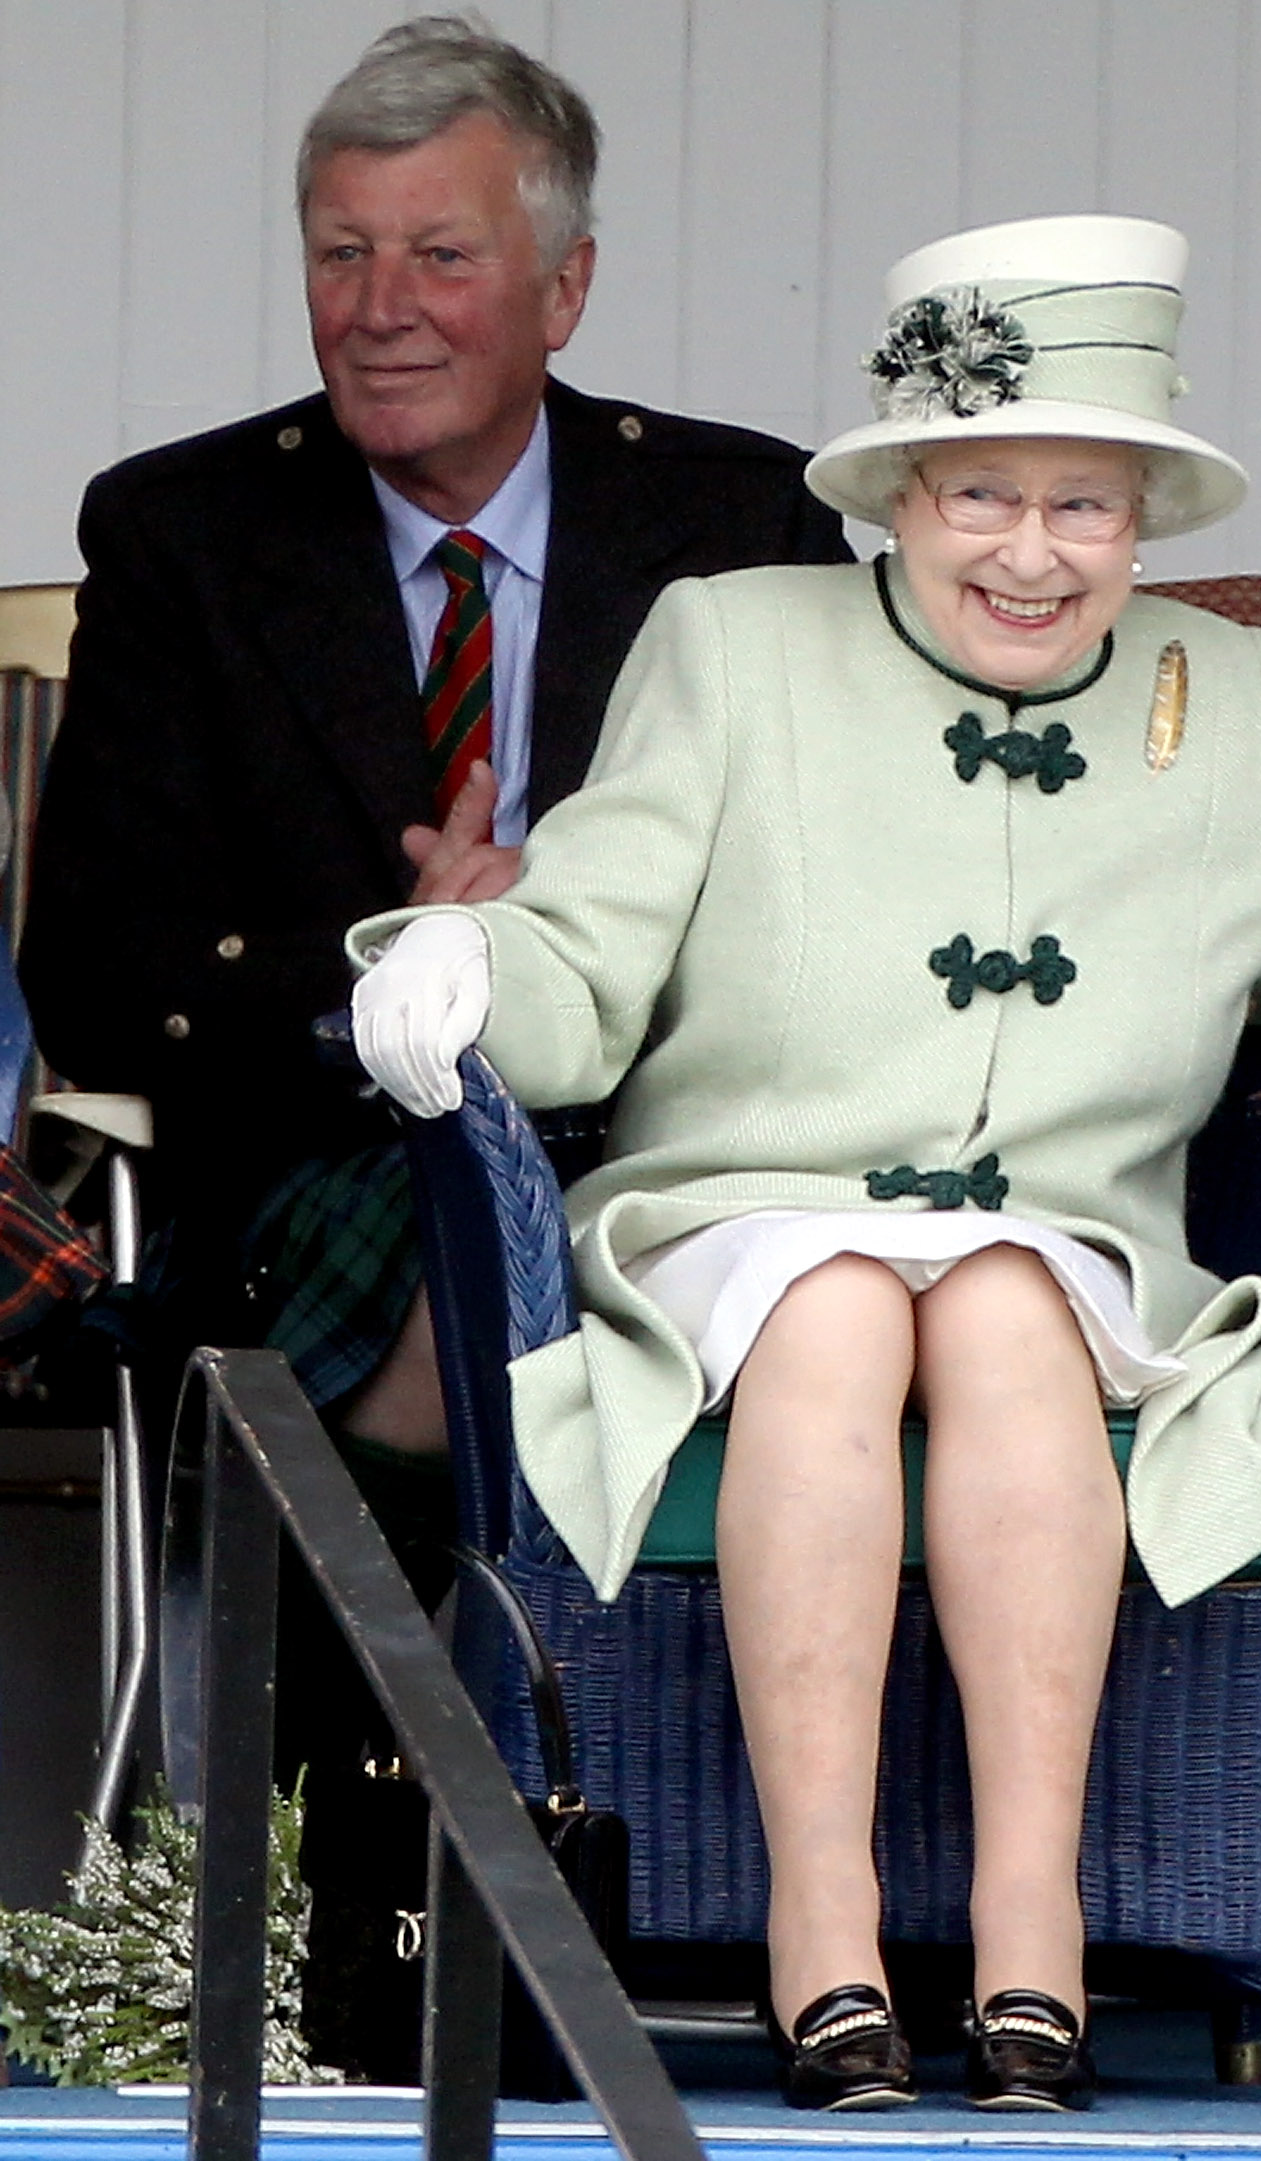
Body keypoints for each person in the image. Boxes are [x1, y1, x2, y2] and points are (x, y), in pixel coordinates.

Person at [344, 213, 1261, 2112]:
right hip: (746, 1215)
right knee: (843, 1302)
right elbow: (589, 944)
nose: (1034, 551)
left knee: (1011, 1301)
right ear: (906, 494)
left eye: (1086, 508)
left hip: (1068, 1238)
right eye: (985, 495)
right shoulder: (733, 642)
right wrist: (460, 953)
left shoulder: (1225, 691)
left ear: (1142, 520)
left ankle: (1034, 1933)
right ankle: (823, 1928)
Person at [17, 15, 851, 2079]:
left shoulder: (743, 520)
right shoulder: (188, 533)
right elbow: (100, 961)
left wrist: (568, 948)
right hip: (321, 1138)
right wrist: (402, 958)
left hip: (682, 1139)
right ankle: (392, 1879)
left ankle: (386, 1882)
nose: (380, 311)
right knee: (436, 1249)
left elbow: (836, 901)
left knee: (533, 1267)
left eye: (441, 257)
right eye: (339, 255)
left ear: (563, 284)